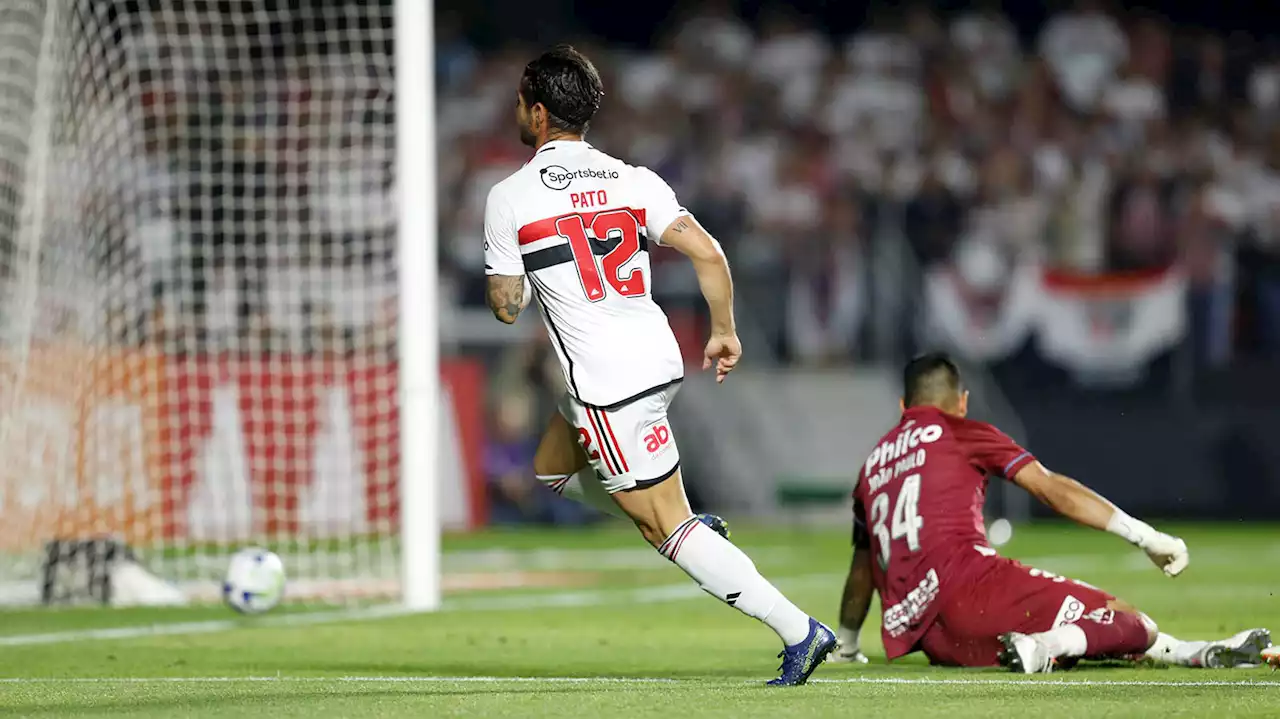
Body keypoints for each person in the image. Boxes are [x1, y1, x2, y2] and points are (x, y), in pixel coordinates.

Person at [482, 45, 835, 685]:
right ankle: (688, 519)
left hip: (605, 382)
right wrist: (724, 332)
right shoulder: (632, 179)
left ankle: (800, 630)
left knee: (663, 529)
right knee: (550, 471)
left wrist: (530, 280)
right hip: (654, 358)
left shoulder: (510, 196)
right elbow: (707, 253)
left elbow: (507, 307)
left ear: (536, 113)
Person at [830, 353, 1272, 672]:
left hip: (936, 640)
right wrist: (1146, 537)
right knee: (1131, 620)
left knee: (1103, 632)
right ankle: (1043, 647)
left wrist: (847, 645)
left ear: (904, 408)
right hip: (975, 593)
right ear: (962, 402)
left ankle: (1200, 653)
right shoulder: (960, 431)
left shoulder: (873, 465)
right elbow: (1051, 489)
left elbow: (862, 569)